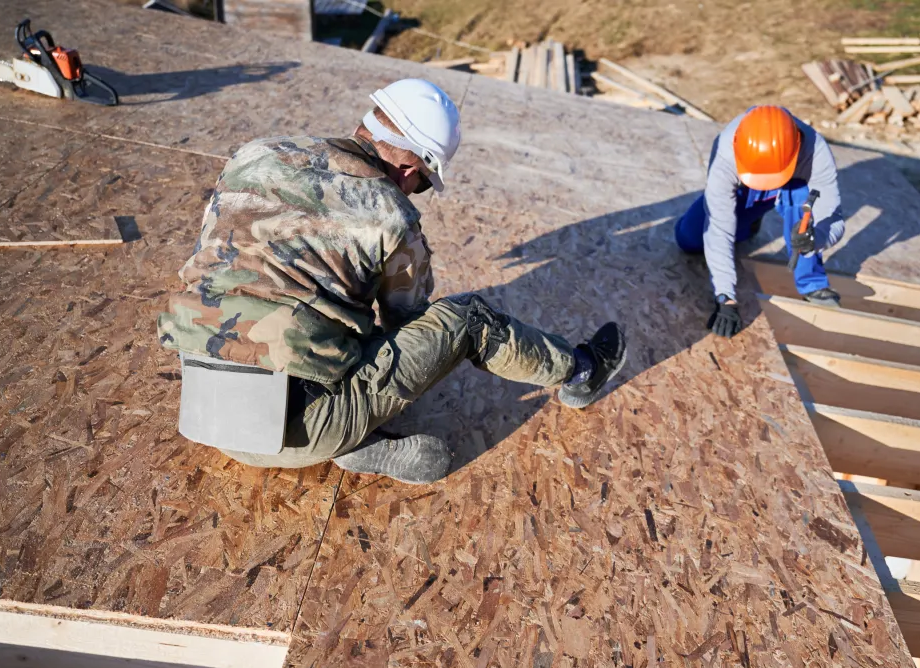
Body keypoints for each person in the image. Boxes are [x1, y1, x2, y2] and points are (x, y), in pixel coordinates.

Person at [158, 79, 626, 484]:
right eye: (423, 181)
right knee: (467, 320)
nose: (415, 190)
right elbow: (411, 320)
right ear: (409, 168)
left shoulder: (255, 153)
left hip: (204, 408)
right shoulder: (391, 212)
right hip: (301, 427)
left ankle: (349, 441)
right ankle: (581, 371)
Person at [675, 105, 846, 337]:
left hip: (791, 186)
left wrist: (817, 239)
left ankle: (812, 282)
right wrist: (725, 296)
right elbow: (719, 227)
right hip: (744, 189)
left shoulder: (816, 152)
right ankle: (748, 222)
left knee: (804, 207)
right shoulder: (725, 151)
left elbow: (832, 216)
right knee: (689, 239)